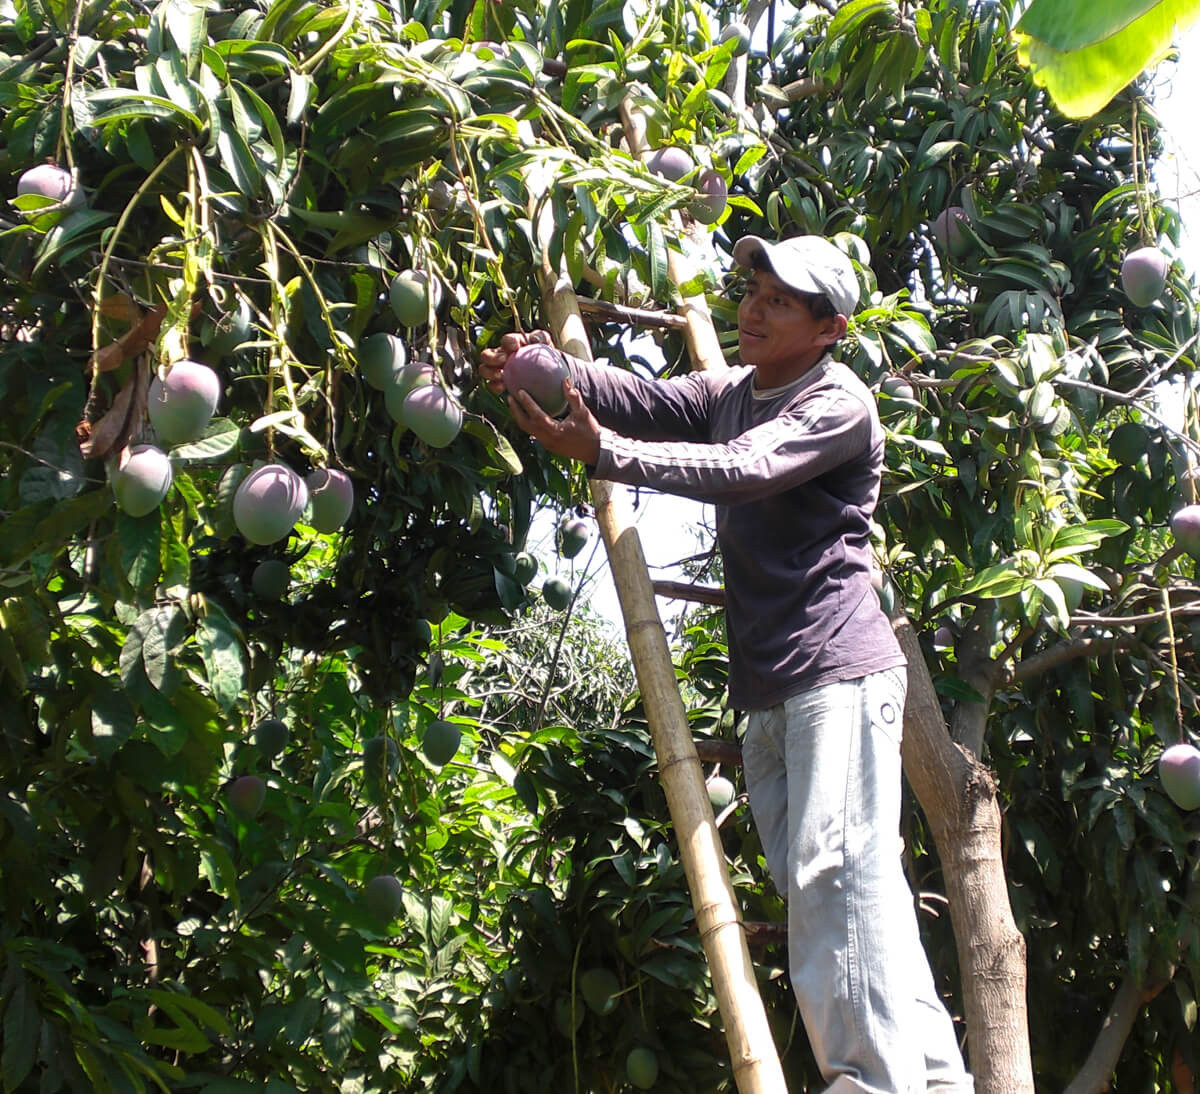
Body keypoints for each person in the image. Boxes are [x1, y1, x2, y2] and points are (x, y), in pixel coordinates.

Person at [479, 234, 974, 1093]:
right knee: (847, 892)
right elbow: (633, 395)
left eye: (780, 301)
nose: (751, 308)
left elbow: (746, 469)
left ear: (830, 328)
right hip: (773, 687)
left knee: (833, 880)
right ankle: (933, 1083)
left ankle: (868, 1082)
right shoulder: (729, 392)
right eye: (753, 289)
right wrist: (544, 367)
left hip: (838, 674)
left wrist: (606, 455)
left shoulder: (837, 402)